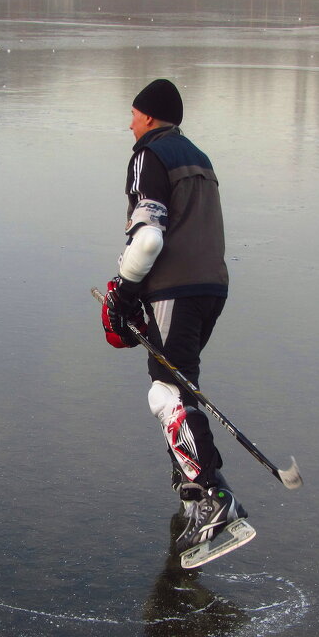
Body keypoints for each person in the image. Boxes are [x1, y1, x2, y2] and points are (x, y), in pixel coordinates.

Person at [102, 78, 248, 557]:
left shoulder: (150, 154)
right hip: (213, 287)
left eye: (133, 114)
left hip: (175, 289)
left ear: (148, 116)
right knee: (180, 383)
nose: (129, 123)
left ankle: (211, 496)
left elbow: (148, 238)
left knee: (165, 391)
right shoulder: (198, 156)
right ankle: (192, 491)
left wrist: (124, 291)